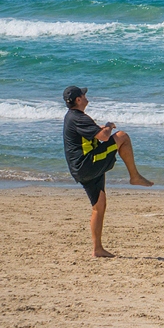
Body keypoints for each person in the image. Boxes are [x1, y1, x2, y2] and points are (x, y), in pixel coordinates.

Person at [62, 85, 153, 257]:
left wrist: (103, 129)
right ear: (78, 100)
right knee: (122, 137)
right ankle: (134, 176)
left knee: (99, 205)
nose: (86, 96)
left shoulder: (72, 117)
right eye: (83, 94)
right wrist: (109, 127)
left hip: (82, 168)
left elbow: (92, 134)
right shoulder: (78, 118)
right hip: (88, 164)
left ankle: (97, 249)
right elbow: (104, 136)